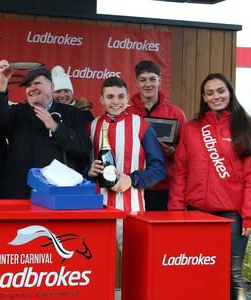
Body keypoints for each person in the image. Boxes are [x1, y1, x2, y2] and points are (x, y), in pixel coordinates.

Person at [168, 73, 251, 300]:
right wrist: (176, 212)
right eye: (210, 92)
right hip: (196, 212)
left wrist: (248, 216)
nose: (216, 96)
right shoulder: (192, 128)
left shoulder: (245, 126)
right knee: (199, 270)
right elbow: (180, 172)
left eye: (221, 91)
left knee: (232, 275)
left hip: (231, 215)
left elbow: (250, 177)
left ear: (229, 92)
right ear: (204, 97)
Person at [0, 60, 92, 198]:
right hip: (20, 194)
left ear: (51, 86)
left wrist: (55, 127)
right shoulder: (17, 112)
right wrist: (2, 85)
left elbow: (84, 149)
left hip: (58, 196)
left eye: (37, 83)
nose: (32, 88)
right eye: (28, 86)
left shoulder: (72, 113)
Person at [87, 76, 166, 249]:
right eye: (110, 97)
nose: (116, 102)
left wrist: (132, 180)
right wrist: (89, 170)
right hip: (97, 208)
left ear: (128, 97)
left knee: (131, 264)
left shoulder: (142, 125)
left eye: (120, 96)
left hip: (132, 210)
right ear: (101, 99)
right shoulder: (92, 126)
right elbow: (84, 165)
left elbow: (159, 168)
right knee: (100, 260)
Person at [127, 60, 187, 211]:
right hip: (132, 184)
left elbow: (188, 152)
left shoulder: (176, 113)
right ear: (136, 83)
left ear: (160, 80)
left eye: (152, 79)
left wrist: (172, 152)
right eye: (143, 80)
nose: (148, 84)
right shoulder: (126, 113)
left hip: (165, 187)